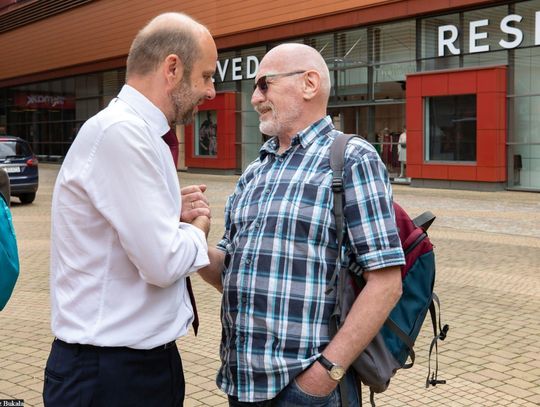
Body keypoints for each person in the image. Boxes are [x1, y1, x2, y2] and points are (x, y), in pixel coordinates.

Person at [198, 43, 405, 406]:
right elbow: (228, 272)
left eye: (264, 85)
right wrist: (192, 241)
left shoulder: (352, 159)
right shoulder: (255, 172)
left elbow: (386, 283)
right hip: (241, 384)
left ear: (309, 84)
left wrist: (326, 374)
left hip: (307, 390)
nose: (254, 99)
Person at [43, 12, 217, 406]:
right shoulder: (122, 133)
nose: (210, 91)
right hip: (110, 375)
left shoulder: (138, 133)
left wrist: (168, 217)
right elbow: (161, 264)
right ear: (172, 67)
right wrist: (197, 228)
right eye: (206, 76)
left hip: (128, 367)